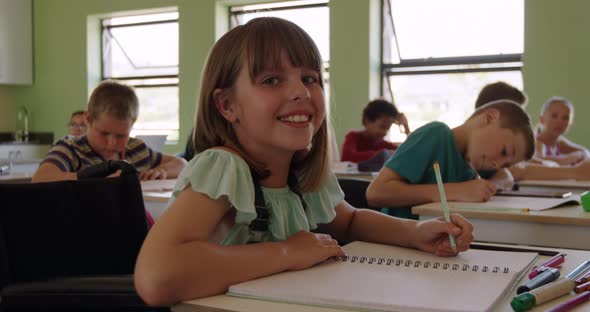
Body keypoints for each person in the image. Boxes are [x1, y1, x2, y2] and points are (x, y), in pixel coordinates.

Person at [133, 17, 474, 306]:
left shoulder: (300, 174)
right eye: (271, 80)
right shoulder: (225, 167)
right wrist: (284, 253)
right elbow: (156, 275)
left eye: (310, 78)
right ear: (227, 106)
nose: (301, 92)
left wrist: (415, 232)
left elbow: (350, 222)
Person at [366, 100, 535, 219]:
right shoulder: (436, 134)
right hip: (393, 249)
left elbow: (504, 176)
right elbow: (376, 193)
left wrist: (488, 187)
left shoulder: (469, 168)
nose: (497, 164)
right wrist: (454, 191)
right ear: (489, 117)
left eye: (505, 163)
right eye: (504, 151)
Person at [32, 80, 187, 183]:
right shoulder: (70, 149)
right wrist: (98, 178)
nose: (112, 143)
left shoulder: (137, 150)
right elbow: (40, 178)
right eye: (104, 133)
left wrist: (162, 171)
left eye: (121, 135)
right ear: (88, 119)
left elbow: (182, 164)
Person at [340, 99, 409, 164]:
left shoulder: (383, 144)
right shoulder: (353, 137)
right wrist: (383, 154)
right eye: (382, 126)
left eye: (388, 128)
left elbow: (406, 154)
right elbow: (347, 157)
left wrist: (406, 129)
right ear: (367, 121)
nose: (384, 132)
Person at [532, 96, 589, 166]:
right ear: (542, 120)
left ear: (570, 124)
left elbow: (584, 152)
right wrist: (570, 158)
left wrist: (579, 155)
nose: (560, 122)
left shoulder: (560, 142)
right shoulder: (537, 142)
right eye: (554, 116)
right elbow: (540, 161)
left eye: (565, 118)